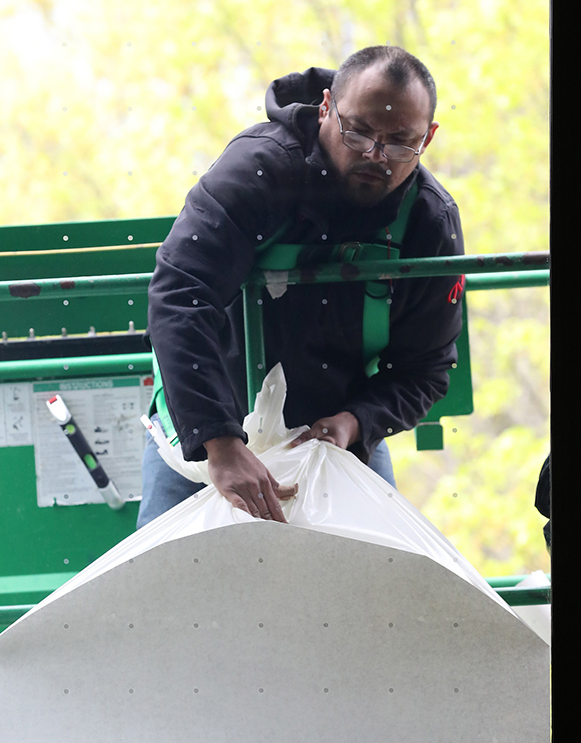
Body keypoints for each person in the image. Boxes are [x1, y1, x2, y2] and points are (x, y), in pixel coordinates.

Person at [137, 45, 465, 529]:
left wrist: (354, 423)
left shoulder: (428, 223)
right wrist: (221, 445)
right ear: (327, 107)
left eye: (400, 143)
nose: (376, 155)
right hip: (205, 425)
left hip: (334, 441)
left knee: (373, 591)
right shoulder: (259, 171)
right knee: (167, 593)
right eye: (358, 133)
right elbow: (179, 296)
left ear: (429, 136)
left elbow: (426, 369)